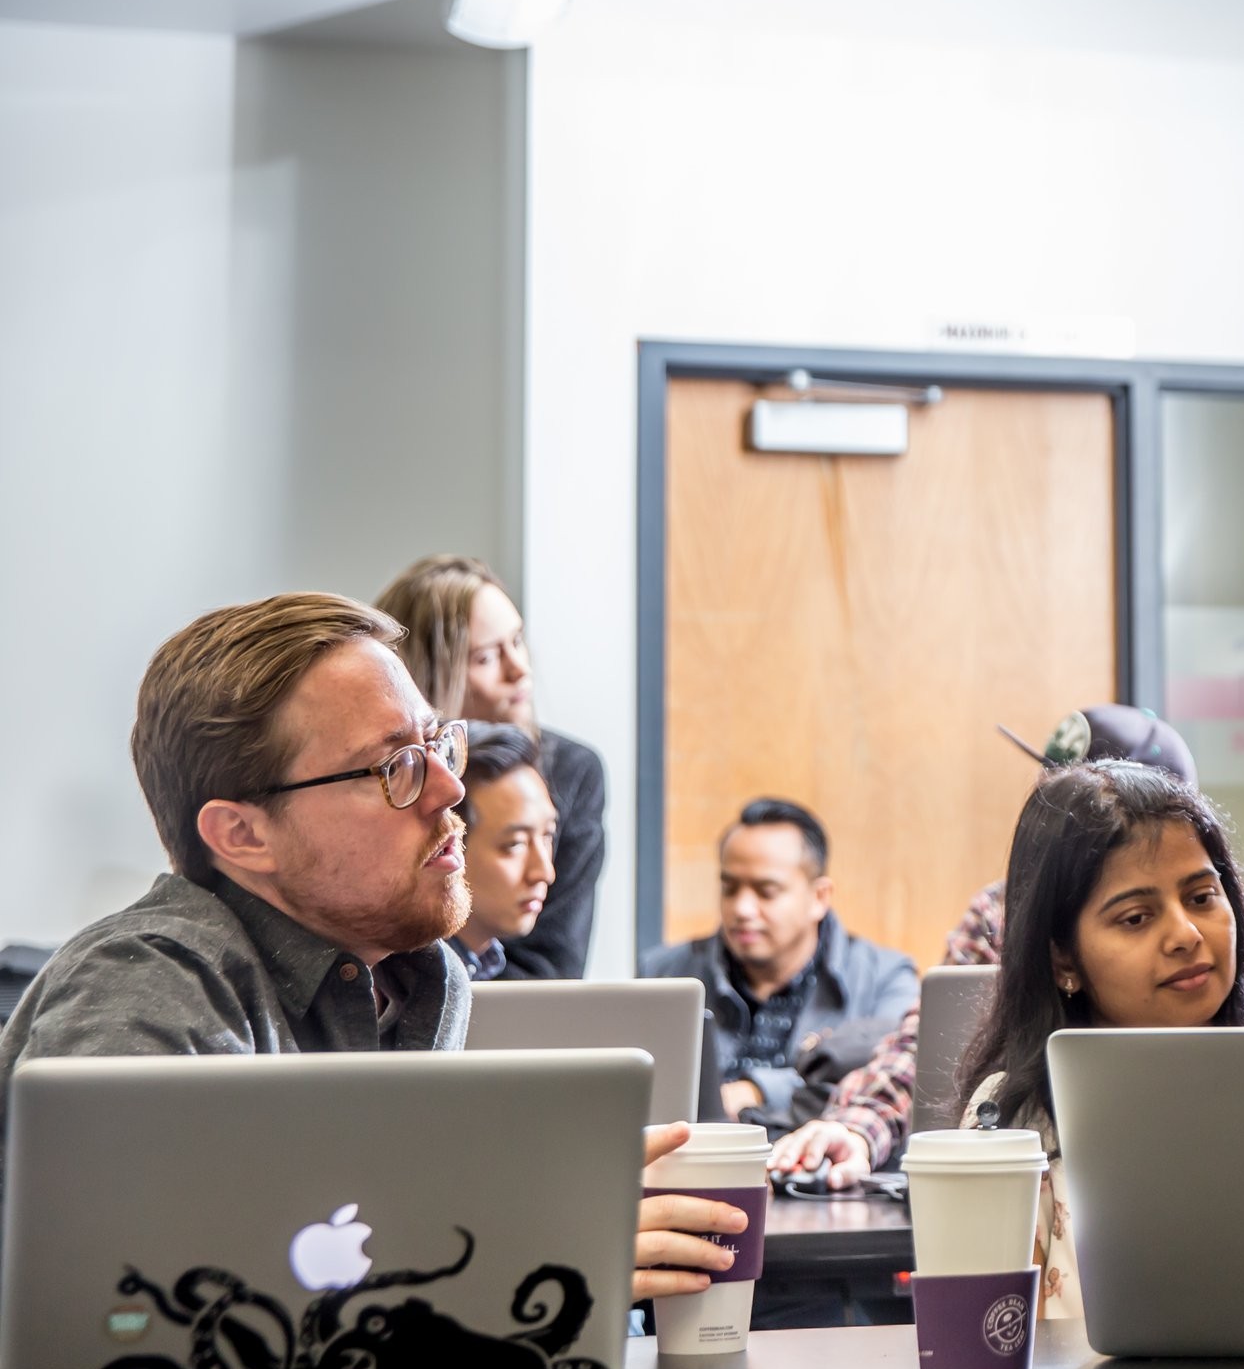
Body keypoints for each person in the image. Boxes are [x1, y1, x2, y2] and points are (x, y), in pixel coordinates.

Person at [0, 592, 722, 1304]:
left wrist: (543, 1224)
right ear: (242, 835)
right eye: (394, 768)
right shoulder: (145, 980)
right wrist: (528, 1256)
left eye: (440, 745)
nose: (449, 789)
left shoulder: (424, 981)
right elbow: (134, 1305)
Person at [768, 706, 1244, 1188]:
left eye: (1201, 897)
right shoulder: (998, 917)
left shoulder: (1242, 926)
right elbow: (927, 1048)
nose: (1186, 936)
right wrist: (858, 1128)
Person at [957, 760, 1244, 1316]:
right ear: (1062, 959)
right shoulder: (1014, 1122)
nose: (1187, 935)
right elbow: (986, 1339)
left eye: (1202, 898)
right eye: (1135, 918)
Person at [376, 556, 606, 979]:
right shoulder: (386, 780)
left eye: (517, 641)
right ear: (427, 678)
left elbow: (554, 969)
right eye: (485, 658)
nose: (520, 670)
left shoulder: (572, 771)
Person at [642, 798, 919, 1139]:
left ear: (819, 897)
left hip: (829, 1178)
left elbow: (890, 1083)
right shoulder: (664, 974)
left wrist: (755, 1089)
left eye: (766, 892)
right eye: (729, 888)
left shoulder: (885, 980)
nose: (742, 908)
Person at [446, 721, 554, 981]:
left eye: (548, 835)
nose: (545, 873)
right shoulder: (399, 990)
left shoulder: (483, 967)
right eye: (514, 844)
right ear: (447, 846)